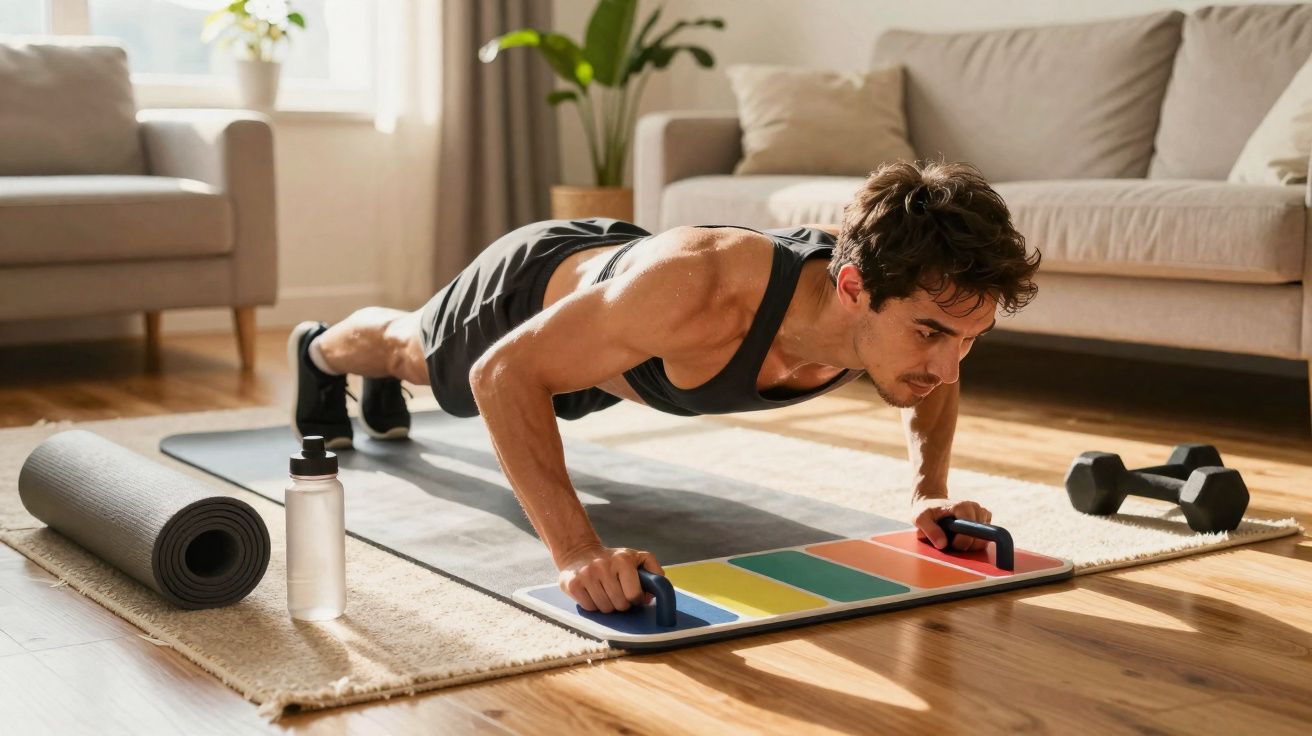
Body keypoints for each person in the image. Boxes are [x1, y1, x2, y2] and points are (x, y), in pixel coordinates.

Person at [287, 160, 1040, 614]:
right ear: (852, 287)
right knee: (412, 352)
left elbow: (929, 380)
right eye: (931, 335)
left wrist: (926, 491)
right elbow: (504, 371)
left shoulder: (902, 323)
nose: (946, 365)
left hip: (624, 344)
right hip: (531, 296)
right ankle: (319, 352)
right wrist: (579, 552)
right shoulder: (705, 291)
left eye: (969, 340)